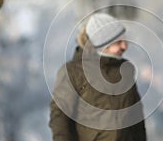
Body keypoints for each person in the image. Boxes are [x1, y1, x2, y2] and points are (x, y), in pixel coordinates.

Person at [49, 13, 146, 141]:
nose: (124, 46)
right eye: (118, 42)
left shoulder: (126, 71)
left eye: (125, 40)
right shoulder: (73, 72)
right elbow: (59, 118)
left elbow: (136, 119)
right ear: (103, 44)